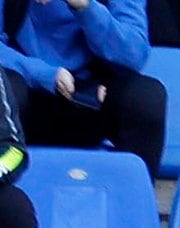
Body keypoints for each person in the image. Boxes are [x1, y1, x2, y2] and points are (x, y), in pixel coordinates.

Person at [7, 0, 164, 168]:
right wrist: (42, 74)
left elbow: (134, 55)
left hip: (90, 95)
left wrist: (86, 7)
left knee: (145, 98)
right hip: (22, 89)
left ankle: (132, 190)